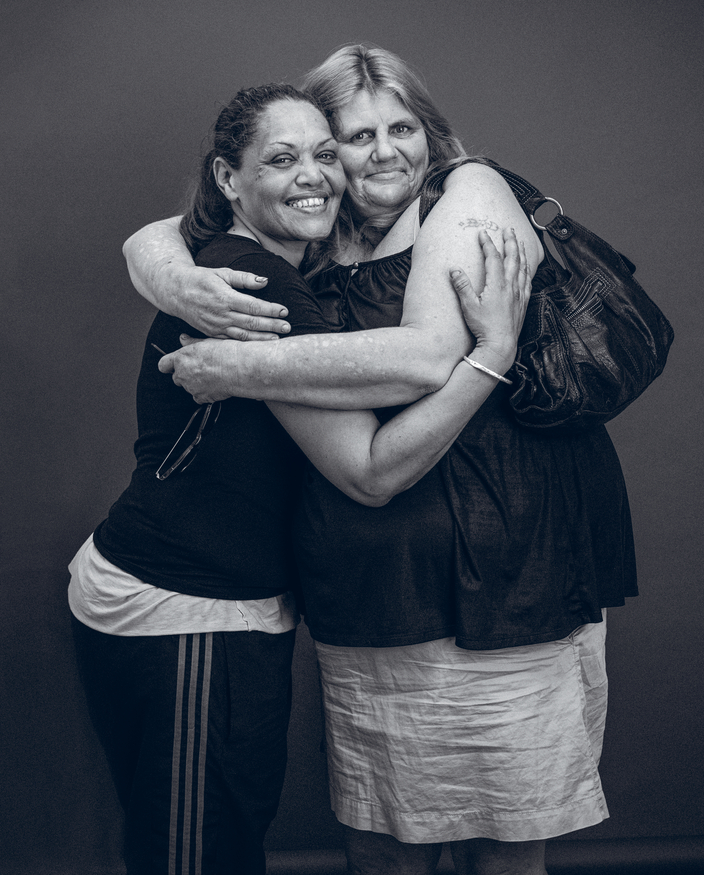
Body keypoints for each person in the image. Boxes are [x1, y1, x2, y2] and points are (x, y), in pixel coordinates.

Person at [123, 46, 637, 875]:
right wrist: (165, 273)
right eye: (352, 137)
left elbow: (429, 355)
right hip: (368, 579)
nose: (385, 150)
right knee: (383, 834)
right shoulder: (319, 232)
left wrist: (241, 367)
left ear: (431, 133)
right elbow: (174, 228)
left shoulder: (469, 191)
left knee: (505, 836)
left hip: (503, 578)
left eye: (403, 127)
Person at [70, 81, 532, 875]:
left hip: (204, 602)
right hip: (188, 609)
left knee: (210, 835)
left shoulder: (257, 267)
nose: (314, 175)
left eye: (325, 154)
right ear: (227, 179)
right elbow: (371, 472)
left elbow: (160, 240)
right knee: (197, 854)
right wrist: (491, 353)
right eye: (281, 160)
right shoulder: (259, 285)